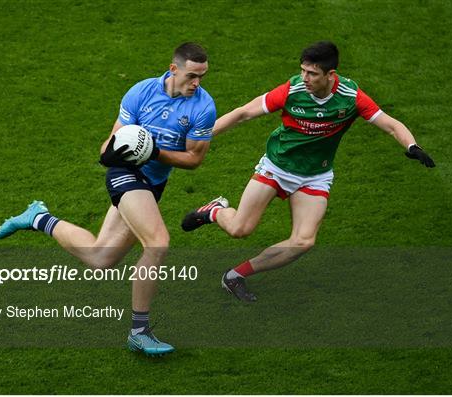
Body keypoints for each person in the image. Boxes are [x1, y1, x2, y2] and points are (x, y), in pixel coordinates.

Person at [0, 42, 216, 355]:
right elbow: (112, 141)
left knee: (100, 258)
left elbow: (194, 159)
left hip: (153, 183)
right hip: (124, 174)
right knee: (158, 243)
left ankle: (37, 217)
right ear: (174, 70)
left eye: (202, 77)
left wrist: (155, 152)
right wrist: (109, 154)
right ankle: (139, 331)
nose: (197, 83)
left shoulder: (203, 107)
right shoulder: (141, 92)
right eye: (192, 76)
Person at [181, 41, 435, 302]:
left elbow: (391, 125)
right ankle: (214, 211)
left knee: (303, 242)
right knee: (239, 230)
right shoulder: (292, 90)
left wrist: (412, 145)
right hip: (277, 168)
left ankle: (234, 276)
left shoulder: (350, 97)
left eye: (312, 73)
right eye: (302, 70)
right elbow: (244, 113)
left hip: (315, 176)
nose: (305, 78)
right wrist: (201, 137)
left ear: (330, 75)